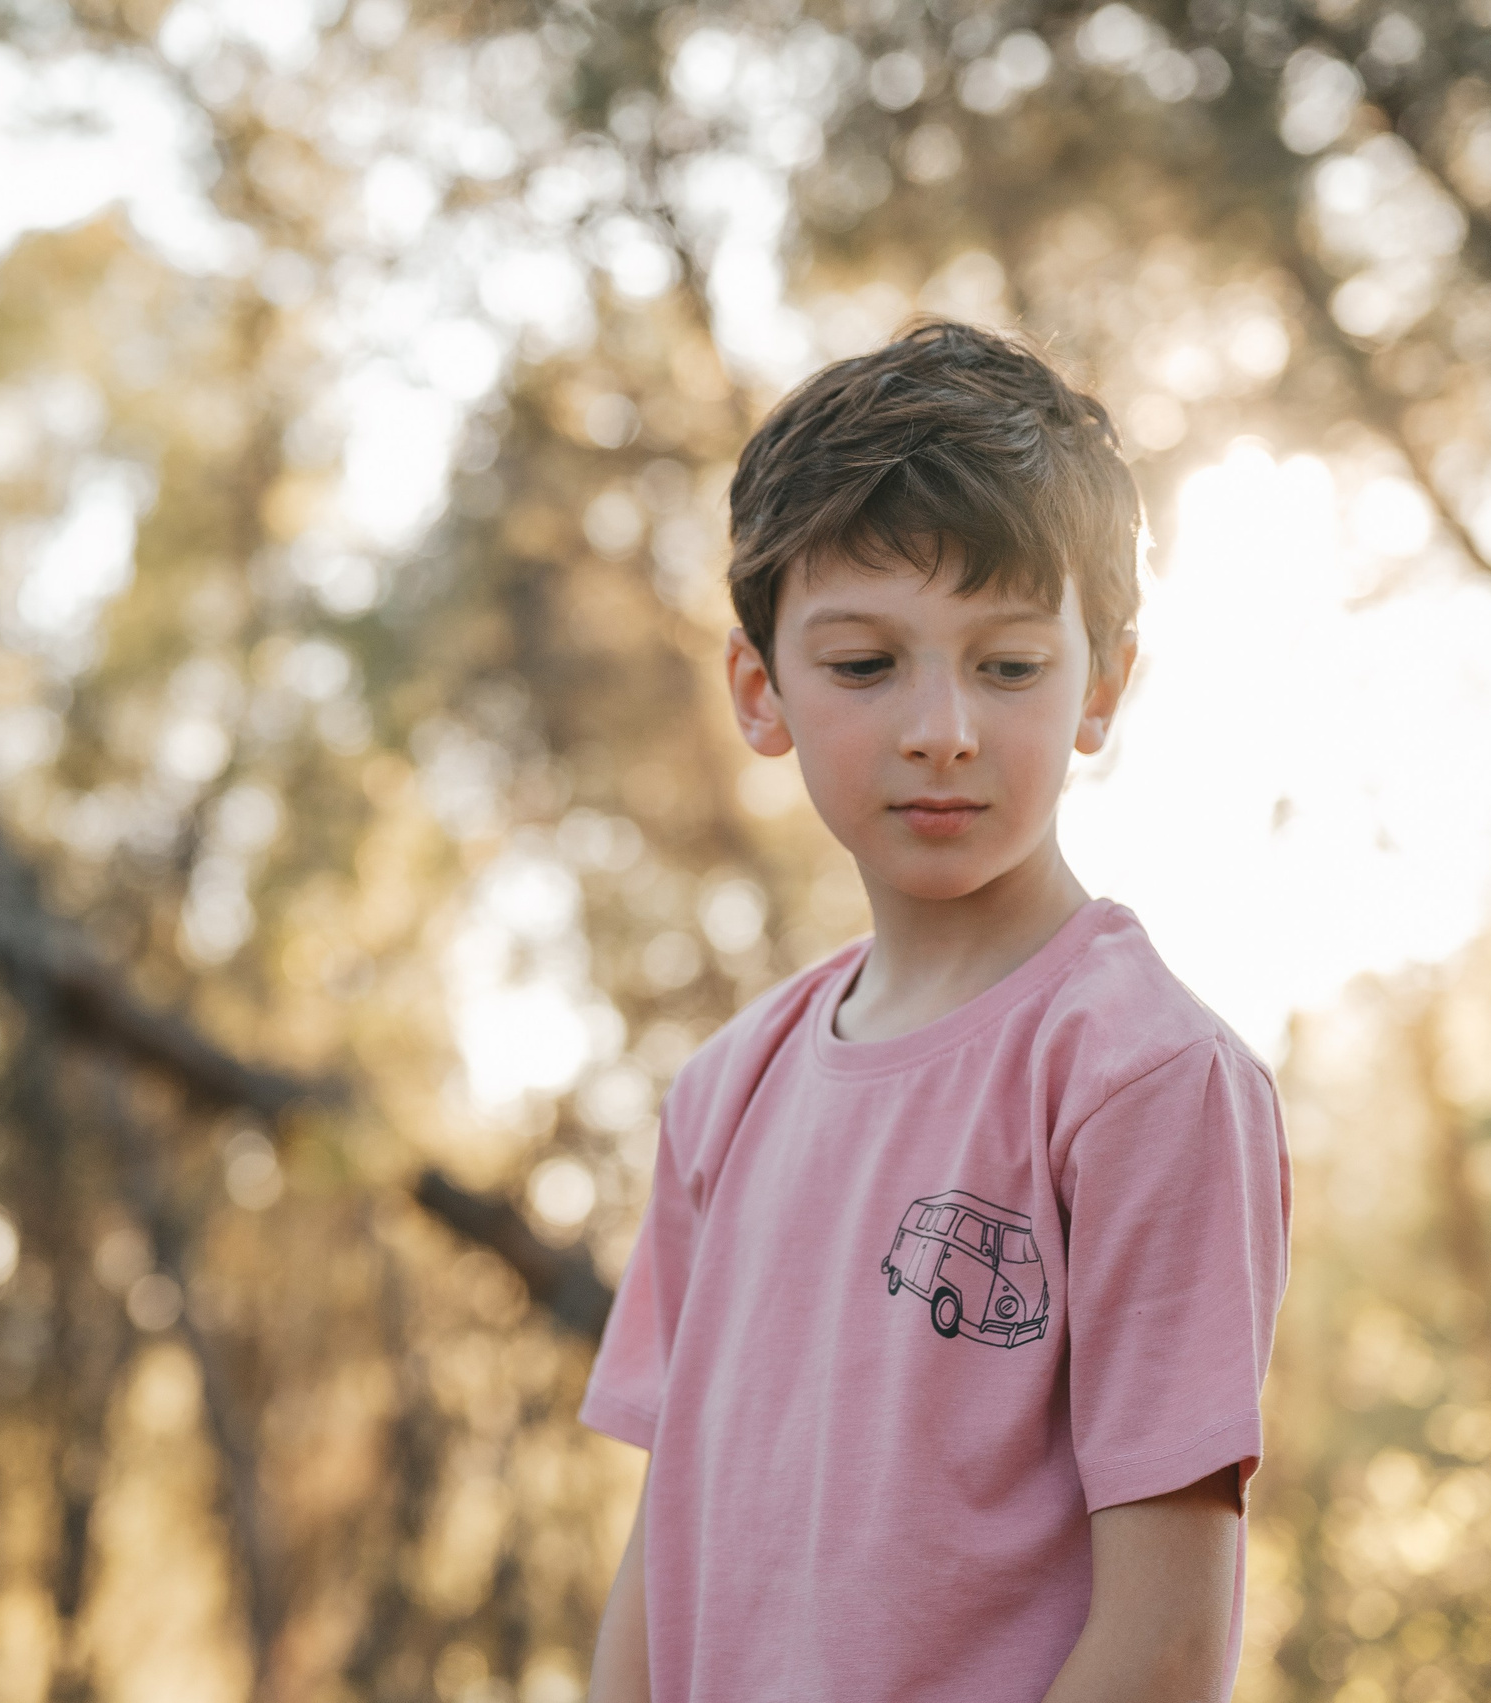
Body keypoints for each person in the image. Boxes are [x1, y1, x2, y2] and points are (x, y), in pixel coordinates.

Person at [581, 321, 1292, 1703]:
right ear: (761, 692)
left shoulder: (1145, 1078)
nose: (942, 729)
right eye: (865, 665)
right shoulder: (723, 1093)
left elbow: (1164, 1646)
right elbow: (658, 1565)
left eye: (1009, 665)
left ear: (1101, 687)